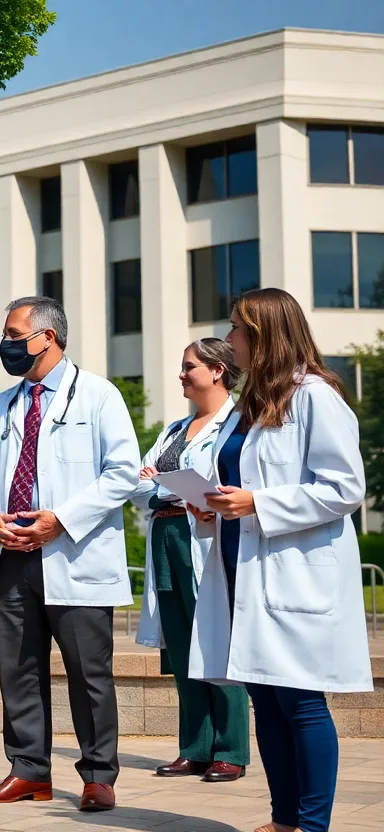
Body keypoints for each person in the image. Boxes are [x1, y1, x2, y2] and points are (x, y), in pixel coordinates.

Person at [189, 288, 371, 832]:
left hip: (291, 570)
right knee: (265, 700)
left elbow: (345, 487)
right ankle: (284, 820)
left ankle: (312, 826)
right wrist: (216, 506)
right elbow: (245, 477)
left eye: (238, 330)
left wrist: (258, 504)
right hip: (242, 561)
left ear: (265, 334)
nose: (230, 340)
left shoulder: (315, 397)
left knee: (299, 702)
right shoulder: (251, 404)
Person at [0, 296, 138, 812]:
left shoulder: (98, 396)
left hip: (73, 552)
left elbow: (124, 472)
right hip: (12, 555)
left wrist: (60, 520)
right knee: (17, 669)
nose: (7, 345)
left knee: (89, 672)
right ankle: (28, 770)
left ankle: (97, 775)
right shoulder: (0, 406)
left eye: (15, 335)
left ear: (48, 336)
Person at [132, 339, 250, 782]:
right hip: (166, 536)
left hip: (208, 539)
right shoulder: (174, 430)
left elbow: (222, 484)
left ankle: (231, 750)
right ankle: (195, 747)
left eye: (189, 367)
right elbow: (137, 485)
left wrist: (163, 486)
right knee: (181, 645)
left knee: (217, 642)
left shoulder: (237, 425)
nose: (181, 375)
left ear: (217, 370)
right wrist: (172, 490)